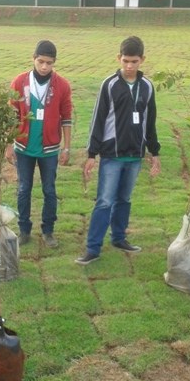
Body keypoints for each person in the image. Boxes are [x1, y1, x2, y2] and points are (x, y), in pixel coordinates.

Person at [75, 36, 161, 265]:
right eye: (125, 61)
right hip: (112, 155)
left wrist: (155, 153)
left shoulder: (147, 87)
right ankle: (93, 248)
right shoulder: (110, 84)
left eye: (134, 61)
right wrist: (92, 154)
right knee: (104, 200)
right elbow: (98, 119)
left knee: (124, 198)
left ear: (142, 59)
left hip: (134, 156)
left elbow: (150, 122)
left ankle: (119, 237)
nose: (130, 66)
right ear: (118, 59)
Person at [7, 40, 73, 248]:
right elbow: (11, 116)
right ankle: (24, 229)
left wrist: (67, 147)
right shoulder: (19, 82)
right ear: (33, 58)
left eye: (49, 63)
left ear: (54, 63)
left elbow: (67, 118)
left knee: (49, 190)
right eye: (41, 61)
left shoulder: (62, 85)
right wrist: (9, 145)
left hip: (50, 149)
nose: (44, 67)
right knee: (24, 189)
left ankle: (48, 230)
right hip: (24, 148)